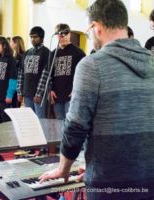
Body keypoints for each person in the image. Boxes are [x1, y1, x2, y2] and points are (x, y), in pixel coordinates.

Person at [39, 0, 154, 199]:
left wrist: (63, 168)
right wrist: (90, 162)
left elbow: (76, 126)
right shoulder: (151, 61)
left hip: (110, 183)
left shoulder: (92, 65)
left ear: (96, 27)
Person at [38, 24, 85, 120]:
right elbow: (48, 75)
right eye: (59, 34)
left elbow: (85, 74)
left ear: (69, 35)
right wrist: (50, 90)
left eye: (65, 34)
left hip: (72, 95)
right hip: (57, 96)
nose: (62, 37)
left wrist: (77, 89)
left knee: (71, 122)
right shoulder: (53, 53)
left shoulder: (78, 53)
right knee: (59, 123)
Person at [17, 27, 50, 118]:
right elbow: (21, 73)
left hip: (39, 94)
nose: (32, 39)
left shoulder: (46, 53)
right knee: (29, 119)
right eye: (31, 37)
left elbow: (45, 75)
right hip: (27, 92)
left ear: (41, 38)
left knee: (40, 119)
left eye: (35, 37)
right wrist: (19, 91)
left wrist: (39, 93)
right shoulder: (27, 53)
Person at [10, 36, 26, 108]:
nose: (10, 44)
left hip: (18, 85)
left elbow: (20, 73)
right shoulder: (14, 56)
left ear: (16, 43)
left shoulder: (21, 56)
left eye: (11, 42)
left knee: (15, 107)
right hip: (13, 85)